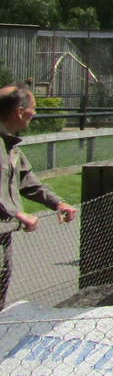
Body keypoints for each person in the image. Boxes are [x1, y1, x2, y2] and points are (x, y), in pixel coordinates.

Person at [1, 85, 78, 307]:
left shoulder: (10, 145)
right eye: (33, 108)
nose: (35, 113)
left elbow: (28, 181)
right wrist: (18, 214)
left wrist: (58, 203)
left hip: (3, 234)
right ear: (19, 111)